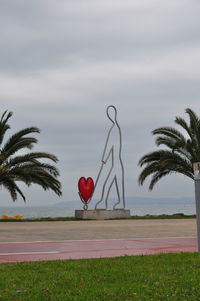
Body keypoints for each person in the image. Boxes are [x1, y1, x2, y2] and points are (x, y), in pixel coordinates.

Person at [95, 105, 125, 209]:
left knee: (107, 184)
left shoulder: (114, 130)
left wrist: (104, 159)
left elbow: (110, 146)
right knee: (116, 185)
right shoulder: (116, 129)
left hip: (116, 164)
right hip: (117, 164)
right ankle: (116, 202)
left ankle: (104, 202)